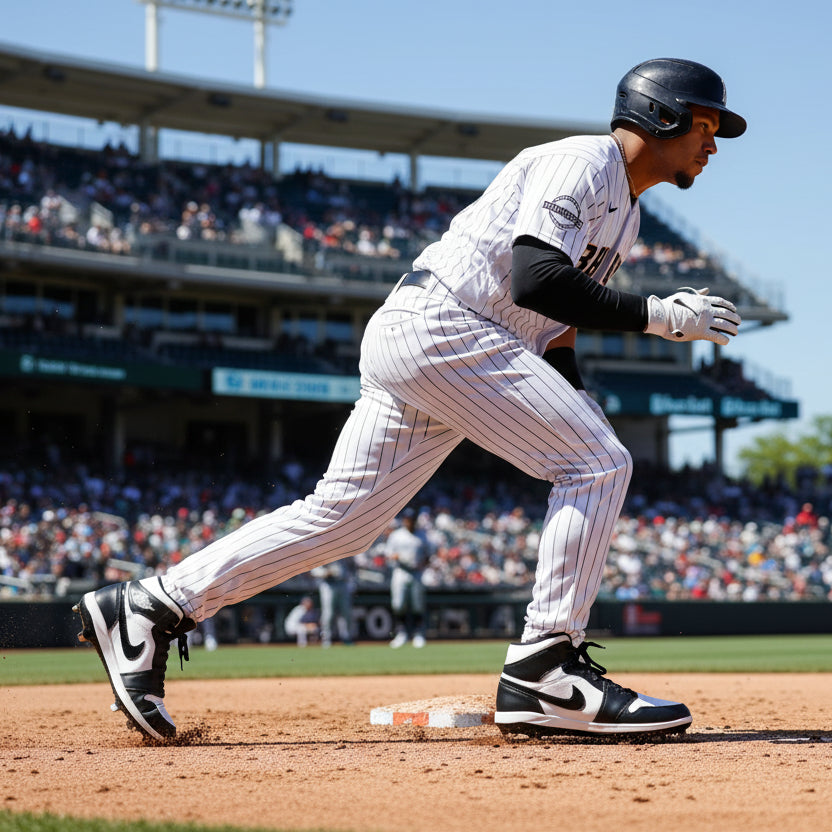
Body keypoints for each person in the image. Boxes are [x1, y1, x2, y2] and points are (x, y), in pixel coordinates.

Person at [74, 57, 745, 742]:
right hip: (447, 325)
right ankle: (546, 667)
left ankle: (153, 604)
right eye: (703, 124)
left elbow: (556, 325)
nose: (712, 143)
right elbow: (537, 278)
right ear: (659, 116)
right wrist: (661, 316)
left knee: (344, 519)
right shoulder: (583, 162)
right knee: (599, 464)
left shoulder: (625, 214)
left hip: (440, 337)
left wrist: (572, 398)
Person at [385, 509, 429, 648]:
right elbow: (389, 555)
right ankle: (401, 633)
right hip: (400, 571)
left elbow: (428, 555)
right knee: (398, 604)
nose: (409, 521)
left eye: (412, 518)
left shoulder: (422, 535)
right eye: (407, 518)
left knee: (417, 604)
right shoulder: (397, 535)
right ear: (404, 519)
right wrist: (400, 558)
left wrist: (422, 563)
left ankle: (418, 634)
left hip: (416, 572)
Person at [311, 559, 356, 647]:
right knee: (328, 614)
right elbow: (315, 570)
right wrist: (326, 572)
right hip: (328, 584)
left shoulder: (341, 550)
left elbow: (351, 566)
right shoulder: (322, 551)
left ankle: (347, 638)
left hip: (343, 583)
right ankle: (326, 639)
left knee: (346, 612)